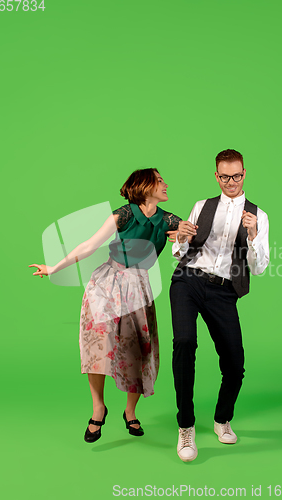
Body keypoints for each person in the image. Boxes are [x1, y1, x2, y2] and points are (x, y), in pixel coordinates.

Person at [29, 168, 181, 442]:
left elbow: (196, 236)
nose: (166, 184)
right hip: (107, 284)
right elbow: (89, 245)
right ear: (146, 186)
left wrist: (185, 236)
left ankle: (130, 412)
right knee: (98, 345)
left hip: (139, 288)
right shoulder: (123, 214)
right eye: (160, 181)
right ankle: (98, 409)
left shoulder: (169, 220)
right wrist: (54, 268)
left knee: (140, 351)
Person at [170, 149, 269, 462]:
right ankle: (186, 427)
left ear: (244, 174)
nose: (230, 181)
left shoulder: (259, 215)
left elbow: (260, 267)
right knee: (185, 342)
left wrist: (252, 235)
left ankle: (221, 419)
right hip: (188, 280)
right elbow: (180, 249)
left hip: (225, 290)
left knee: (235, 363)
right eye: (224, 176)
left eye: (236, 176)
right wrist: (181, 238)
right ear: (216, 176)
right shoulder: (202, 206)